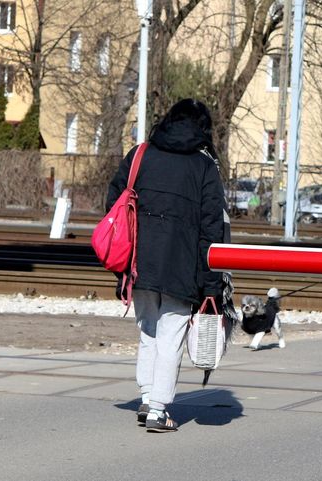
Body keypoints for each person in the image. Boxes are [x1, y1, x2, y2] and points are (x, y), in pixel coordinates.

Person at [106, 99, 228, 432]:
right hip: (181, 264)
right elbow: (212, 230)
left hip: (138, 262)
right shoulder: (204, 167)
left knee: (148, 331)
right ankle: (158, 409)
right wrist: (212, 285)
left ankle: (147, 398)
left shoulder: (140, 154)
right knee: (171, 334)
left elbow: (113, 203)